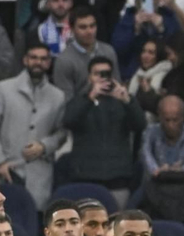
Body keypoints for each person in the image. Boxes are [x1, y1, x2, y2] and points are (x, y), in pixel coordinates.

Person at [0, 37, 67, 206]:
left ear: (49, 63)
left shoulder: (58, 96)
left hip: (39, 174)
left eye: (43, 59)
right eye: (34, 58)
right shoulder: (3, 89)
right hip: (5, 171)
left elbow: (62, 132)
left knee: (34, 223)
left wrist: (45, 146)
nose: (38, 63)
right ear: (25, 60)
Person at [63, 56, 148, 200]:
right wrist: (90, 98)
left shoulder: (123, 100)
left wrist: (127, 101)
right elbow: (68, 121)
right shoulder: (80, 100)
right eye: (97, 74)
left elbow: (140, 125)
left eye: (106, 74)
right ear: (90, 77)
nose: (102, 78)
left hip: (118, 177)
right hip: (86, 176)